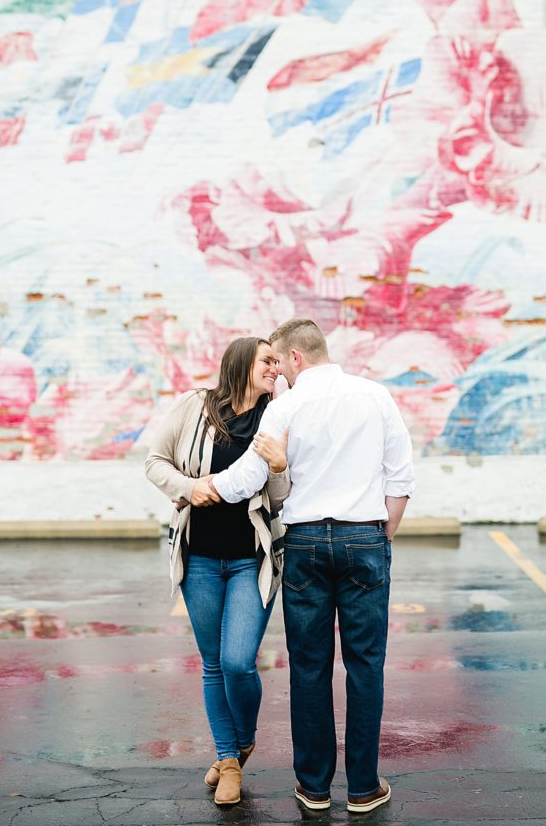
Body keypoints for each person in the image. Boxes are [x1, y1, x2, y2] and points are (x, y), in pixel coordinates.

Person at [208, 318, 414, 814]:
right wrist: (379, 536)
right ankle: (363, 788)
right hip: (364, 536)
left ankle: (314, 788)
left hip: (305, 544)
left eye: (279, 362)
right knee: (365, 665)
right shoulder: (376, 396)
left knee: (308, 667)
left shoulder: (286, 407)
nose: (277, 372)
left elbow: (245, 480)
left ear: (296, 357)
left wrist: (198, 489)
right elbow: (400, 477)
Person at [144, 337, 289, 806]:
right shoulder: (195, 406)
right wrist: (189, 488)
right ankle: (228, 760)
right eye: (267, 360)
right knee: (212, 664)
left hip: (251, 558)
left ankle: (242, 741)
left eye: (278, 362)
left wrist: (279, 466)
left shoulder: (276, 417)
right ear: (242, 363)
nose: (276, 368)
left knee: (237, 662)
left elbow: (281, 496)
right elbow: (155, 462)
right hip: (200, 558)